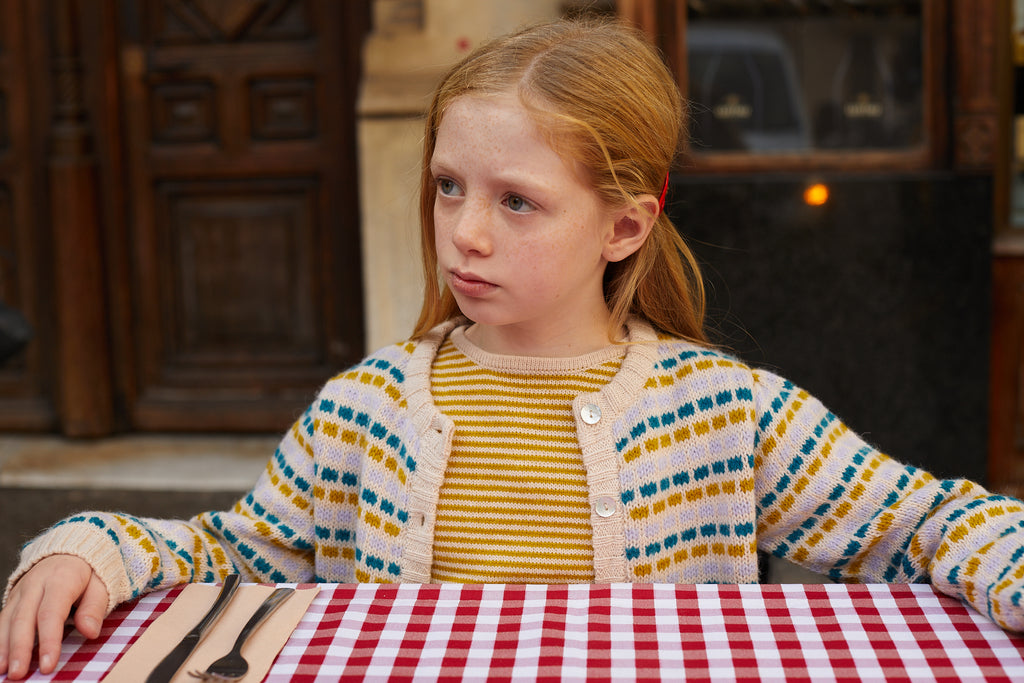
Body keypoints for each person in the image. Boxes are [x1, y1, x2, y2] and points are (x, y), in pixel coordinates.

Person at [2, 16, 1023, 679]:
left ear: (624, 225)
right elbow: (234, 551)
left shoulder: (727, 410)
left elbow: (929, 521)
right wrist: (92, 543)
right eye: (449, 186)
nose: (466, 232)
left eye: (516, 201)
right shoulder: (367, 406)